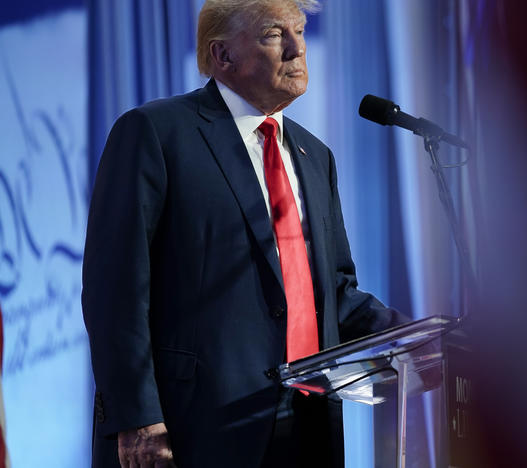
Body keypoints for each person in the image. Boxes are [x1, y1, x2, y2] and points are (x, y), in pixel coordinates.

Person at [82, 0, 404, 466]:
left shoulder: (316, 156)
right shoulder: (156, 133)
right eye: (275, 35)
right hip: (197, 426)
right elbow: (115, 291)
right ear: (222, 55)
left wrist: (412, 338)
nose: (298, 49)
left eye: (300, 31)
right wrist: (137, 416)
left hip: (310, 420)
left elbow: (333, 292)